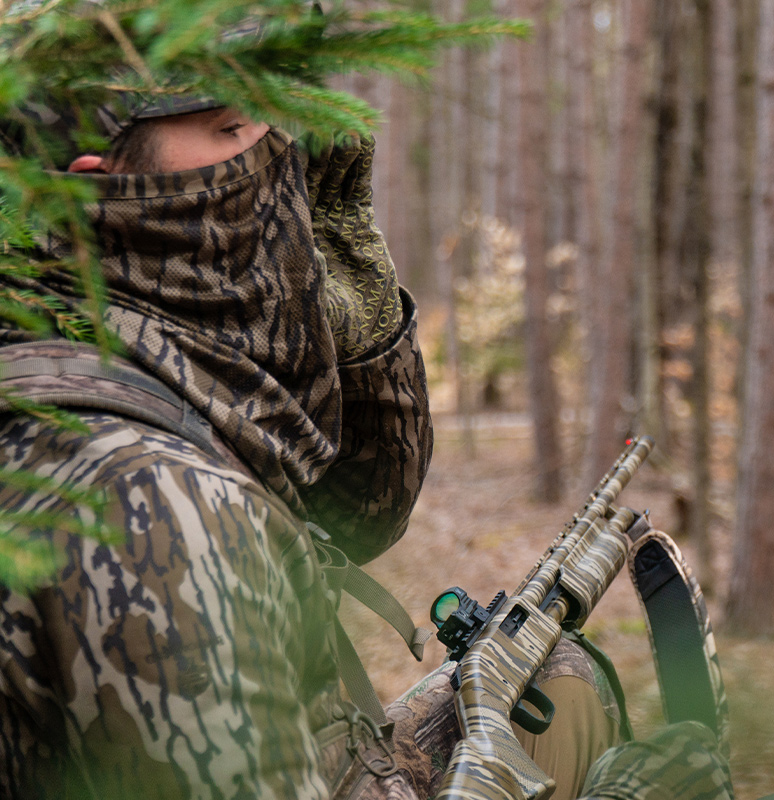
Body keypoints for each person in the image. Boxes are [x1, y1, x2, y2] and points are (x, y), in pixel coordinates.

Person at [0, 79, 732, 800]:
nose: (279, 153)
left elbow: (356, 517)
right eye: (229, 131)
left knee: (552, 678)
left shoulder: (83, 344)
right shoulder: (156, 501)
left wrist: (357, 328)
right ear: (99, 187)